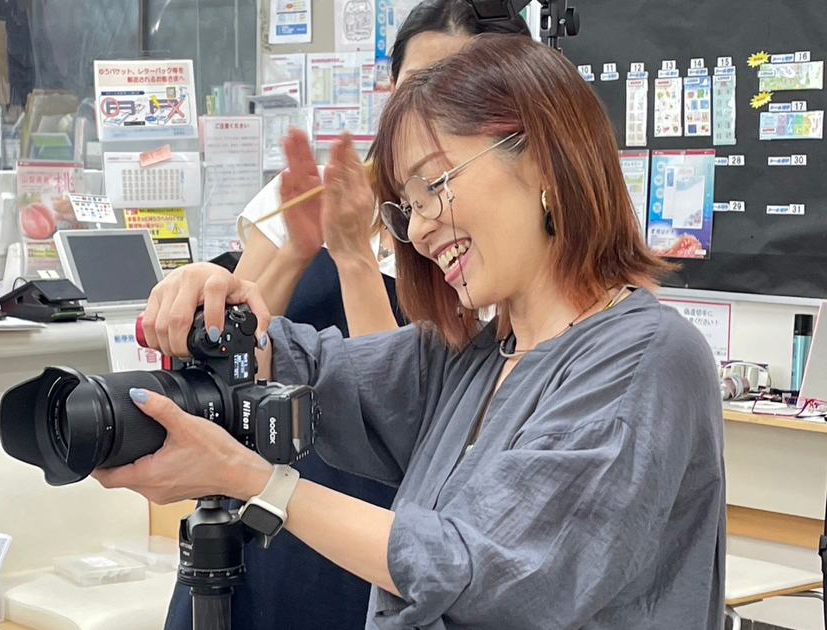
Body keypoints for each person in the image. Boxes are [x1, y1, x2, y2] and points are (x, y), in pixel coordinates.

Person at [102, 33, 726, 630]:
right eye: (406, 204)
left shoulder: (647, 359)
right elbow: (318, 374)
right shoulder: (474, 358)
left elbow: (489, 569)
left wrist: (258, 483)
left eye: (435, 184)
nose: (421, 228)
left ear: (543, 161)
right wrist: (229, 309)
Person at [162, 4, 530, 630]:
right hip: (254, 520)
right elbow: (240, 349)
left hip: (368, 538)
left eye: (455, 86)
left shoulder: (492, 243)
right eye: (412, 87)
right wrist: (298, 249)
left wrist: (355, 257)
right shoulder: (323, 190)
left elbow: (402, 405)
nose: (429, 108)